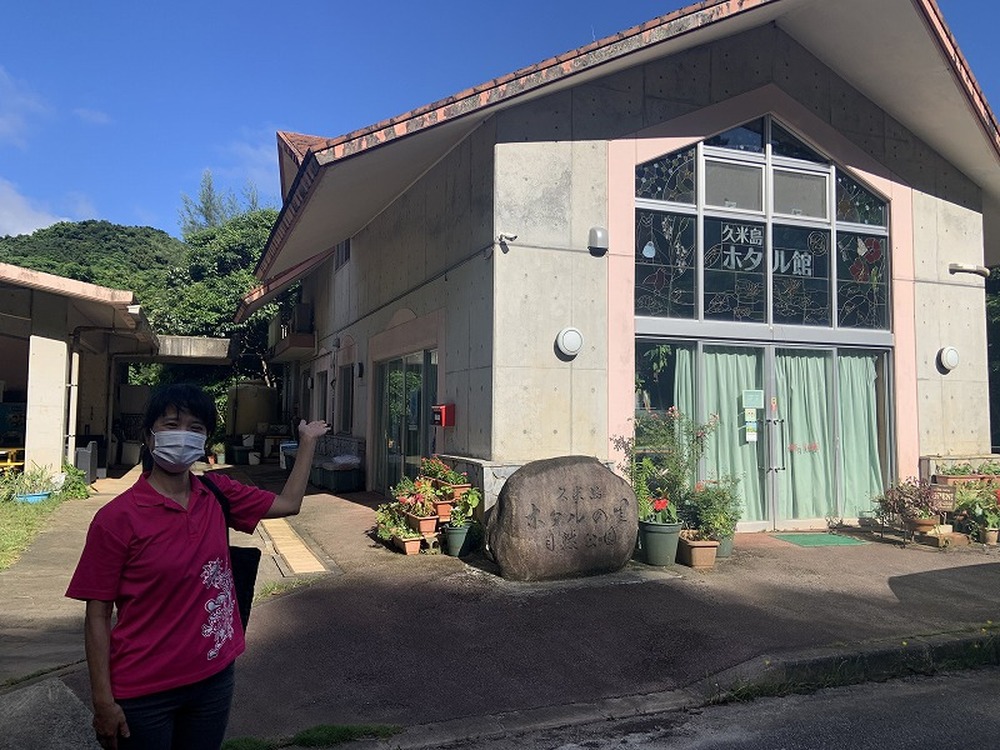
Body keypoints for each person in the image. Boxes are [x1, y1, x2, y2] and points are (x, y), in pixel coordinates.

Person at [66, 383, 328, 750]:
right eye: (171, 424)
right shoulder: (116, 519)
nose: (183, 435)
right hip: (144, 693)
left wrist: (308, 442)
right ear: (149, 436)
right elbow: (96, 616)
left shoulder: (217, 493)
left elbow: (288, 504)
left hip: (214, 679)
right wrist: (103, 702)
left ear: (205, 440)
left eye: (195, 427)